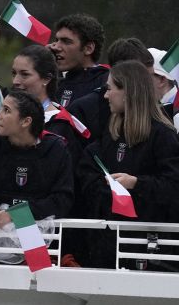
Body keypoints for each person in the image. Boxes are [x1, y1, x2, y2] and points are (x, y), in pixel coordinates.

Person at [76, 60, 179, 268]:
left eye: (110, 89)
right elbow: (87, 175)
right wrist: (106, 189)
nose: (105, 95)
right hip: (105, 248)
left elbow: (173, 188)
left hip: (151, 251)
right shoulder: (109, 135)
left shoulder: (163, 136)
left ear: (129, 92)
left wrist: (136, 184)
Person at [0, 91, 74, 225]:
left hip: (42, 237)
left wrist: (15, 215)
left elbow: (62, 200)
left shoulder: (56, 150)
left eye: (6, 110)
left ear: (26, 121)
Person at [67, 38, 153, 142]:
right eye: (144, 79)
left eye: (151, 78)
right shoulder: (82, 110)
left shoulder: (156, 112)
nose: (150, 85)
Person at [10, 44, 87, 155]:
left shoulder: (60, 125)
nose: (15, 81)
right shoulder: (6, 113)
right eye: (14, 73)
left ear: (46, 78)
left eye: (24, 74)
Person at [49, 14, 109, 107]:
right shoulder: (53, 85)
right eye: (57, 40)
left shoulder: (107, 85)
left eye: (66, 41)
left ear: (88, 48)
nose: (56, 47)